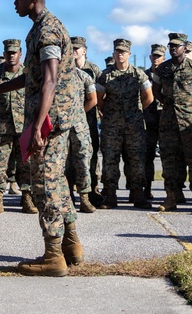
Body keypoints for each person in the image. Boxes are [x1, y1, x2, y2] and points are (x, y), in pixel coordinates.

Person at [0, 0, 83, 277]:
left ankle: (53, 257)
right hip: (52, 119)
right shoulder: (39, 28)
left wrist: (40, 127)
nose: (14, 3)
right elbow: (33, 77)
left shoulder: (47, 30)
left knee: (45, 185)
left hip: (50, 122)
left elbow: (51, 80)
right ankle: (71, 245)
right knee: (58, 182)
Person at [152, 32, 192, 213]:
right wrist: (168, 104)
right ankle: (171, 197)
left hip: (190, 122)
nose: (172, 49)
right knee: (170, 160)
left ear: (184, 48)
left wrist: (190, 103)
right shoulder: (162, 69)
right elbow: (156, 91)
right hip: (169, 121)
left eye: (176, 46)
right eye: (170, 46)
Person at [96, 38, 154, 209]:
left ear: (129, 54)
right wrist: (108, 112)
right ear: (113, 53)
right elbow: (99, 99)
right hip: (112, 126)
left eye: (123, 52)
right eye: (117, 51)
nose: (120, 54)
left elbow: (148, 97)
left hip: (134, 126)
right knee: (110, 160)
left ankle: (137, 194)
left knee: (136, 160)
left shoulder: (138, 74)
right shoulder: (105, 75)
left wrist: (135, 113)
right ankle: (110, 195)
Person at [0, 39, 27, 214]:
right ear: (4, 55)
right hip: (2, 129)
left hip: (24, 128)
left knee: (26, 164)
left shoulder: (29, 73)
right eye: (8, 53)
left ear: (20, 53)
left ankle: (27, 197)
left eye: (14, 52)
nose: (11, 56)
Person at [71, 36, 102, 203]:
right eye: (72, 48)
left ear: (84, 51)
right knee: (69, 158)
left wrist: (80, 114)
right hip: (69, 123)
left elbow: (99, 96)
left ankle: (92, 190)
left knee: (91, 157)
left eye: (77, 48)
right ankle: (69, 190)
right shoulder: (64, 69)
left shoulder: (94, 70)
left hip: (88, 121)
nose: (74, 51)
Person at [66, 66, 98, 212]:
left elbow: (93, 99)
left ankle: (84, 198)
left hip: (80, 128)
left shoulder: (83, 76)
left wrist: (78, 114)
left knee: (83, 162)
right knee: (62, 164)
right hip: (60, 127)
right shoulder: (53, 74)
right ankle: (67, 198)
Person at [142, 44, 165, 199]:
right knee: (147, 156)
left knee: (169, 156)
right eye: (154, 56)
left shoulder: (168, 74)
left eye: (159, 56)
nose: (156, 58)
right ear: (150, 57)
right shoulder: (143, 75)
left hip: (165, 121)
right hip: (149, 121)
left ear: (163, 58)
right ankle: (147, 187)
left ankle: (172, 190)